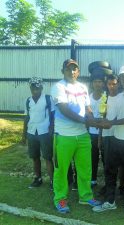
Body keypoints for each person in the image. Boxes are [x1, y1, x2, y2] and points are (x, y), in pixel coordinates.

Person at [51, 59, 100, 213]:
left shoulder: (82, 87)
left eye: (75, 69)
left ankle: (85, 196)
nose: (72, 72)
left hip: (83, 135)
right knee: (61, 170)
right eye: (68, 69)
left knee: (85, 169)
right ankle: (60, 199)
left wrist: (93, 119)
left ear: (78, 71)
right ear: (63, 71)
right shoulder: (58, 87)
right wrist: (86, 121)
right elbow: (64, 109)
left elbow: (88, 108)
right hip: (64, 136)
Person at [93, 65, 124, 214]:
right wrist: (103, 123)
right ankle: (110, 201)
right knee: (110, 171)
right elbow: (112, 116)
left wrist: (111, 123)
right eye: (122, 77)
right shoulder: (118, 96)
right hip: (116, 139)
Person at [22, 77, 54, 189]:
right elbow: (27, 117)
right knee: (35, 157)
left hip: (44, 132)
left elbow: (53, 115)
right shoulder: (28, 101)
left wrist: (51, 129)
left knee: (47, 157)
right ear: (30, 88)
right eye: (33, 88)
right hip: (31, 132)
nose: (35, 90)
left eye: (37, 88)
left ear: (41, 87)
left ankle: (52, 181)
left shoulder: (48, 99)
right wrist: (23, 135)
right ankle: (38, 178)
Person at [88, 72, 106, 188]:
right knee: (92, 157)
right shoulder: (88, 97)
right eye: (95, 82)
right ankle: (93, 179)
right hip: (91, 132)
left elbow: (106, 115)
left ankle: (107, 181)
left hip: (104, 133)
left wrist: (98, 123)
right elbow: (87, 113)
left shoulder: (106, 97)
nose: (97, 84)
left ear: (103, 84)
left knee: (105, 158)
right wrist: (93, 122)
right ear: (92, 84)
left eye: (100, 82)